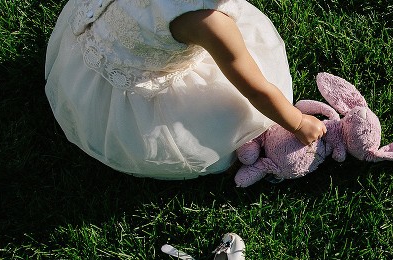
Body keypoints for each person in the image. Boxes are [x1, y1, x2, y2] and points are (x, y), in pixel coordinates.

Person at [45, 0, 326, 180]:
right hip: (134, 87)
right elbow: (256, 90)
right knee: (236, 112)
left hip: (97, 37)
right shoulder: (209, 23)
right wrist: (298, 122)